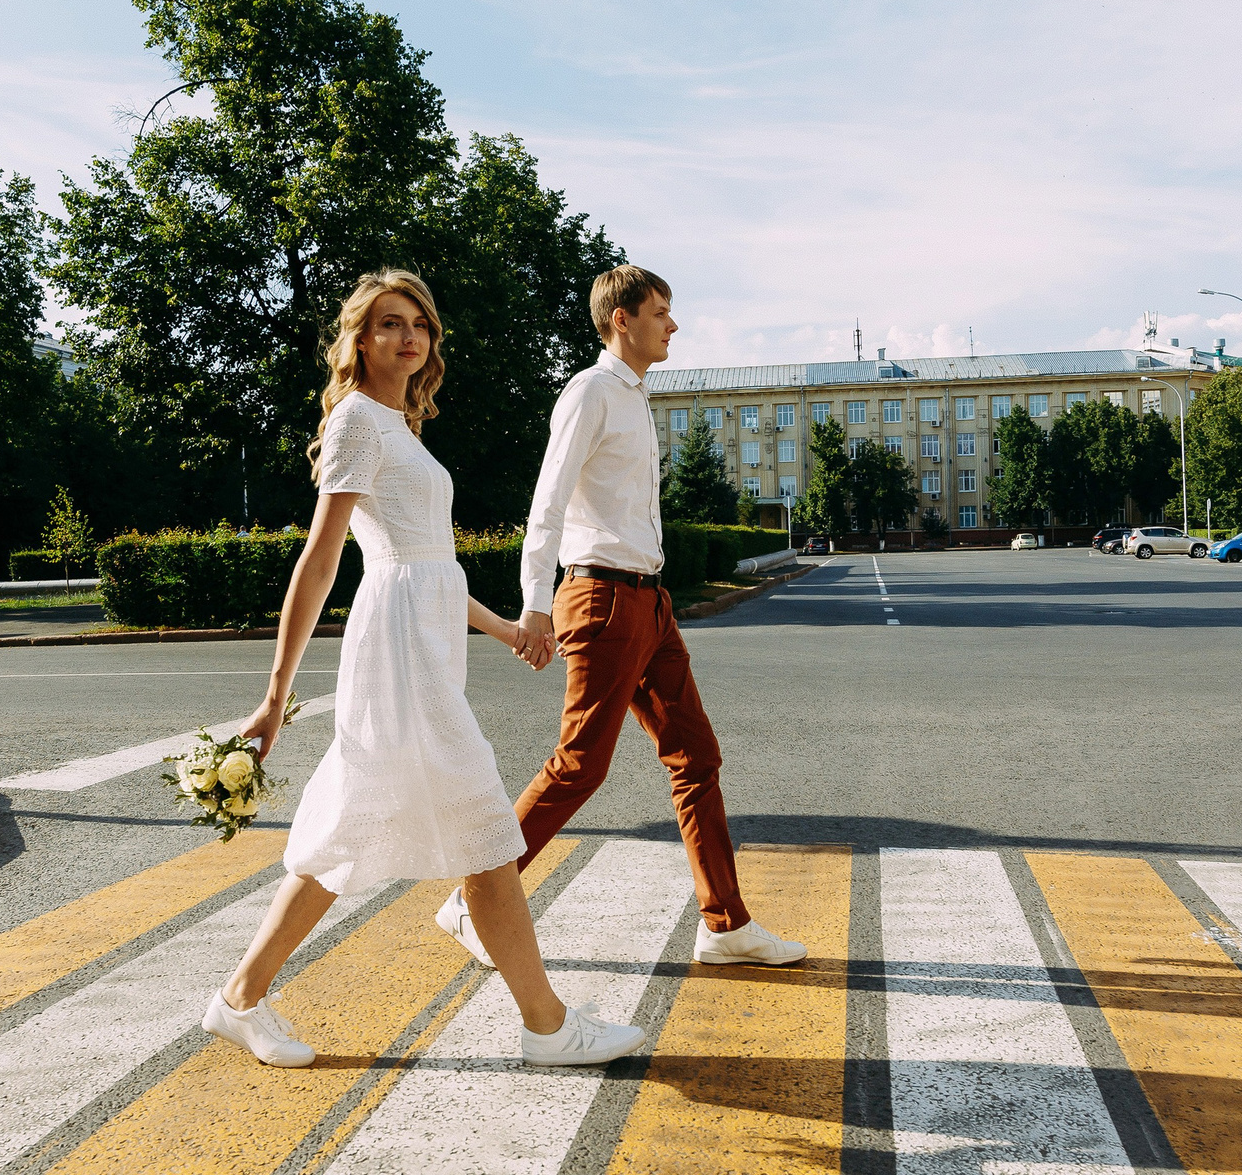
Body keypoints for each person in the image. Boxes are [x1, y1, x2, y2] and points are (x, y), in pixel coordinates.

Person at [205, 269, 649, 1069]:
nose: (409, 336)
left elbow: (430, 562)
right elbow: (322, 557)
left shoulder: (398, 427)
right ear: (359, 339)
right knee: (481, 817)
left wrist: (508, 628)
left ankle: (239, 997)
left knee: (358, 823)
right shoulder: (357, 426)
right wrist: (276, 695)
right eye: (388, 324)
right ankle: (546, 1025)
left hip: (428, 637)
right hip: (398, 649)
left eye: (419, 324)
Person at [437, 265, 807, 969]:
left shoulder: (635, 399)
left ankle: (725, 926)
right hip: (603, 598)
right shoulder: (591, 393)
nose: (673, 325)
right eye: (661, 312)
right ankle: (472, 900)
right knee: (580, 765)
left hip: (648, 599)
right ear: (622, 320)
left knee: (696, 756)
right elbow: (546, 504)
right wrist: (535, 604)